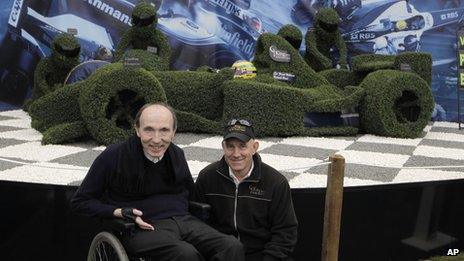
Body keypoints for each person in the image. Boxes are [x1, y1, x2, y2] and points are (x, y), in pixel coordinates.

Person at [71, 103, 244, 261]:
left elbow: (190, 194)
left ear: (174, 132)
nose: (156, 139)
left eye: (164, 130)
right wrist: (118, 211)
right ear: (137, 130)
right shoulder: (114, 156)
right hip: (141, 226)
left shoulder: (176, 154)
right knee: (185, 254)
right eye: (149, 130)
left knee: (231, 246)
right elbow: (80, 202)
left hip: (183, 220)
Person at [194, 119, 298, 261]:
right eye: (230, 146)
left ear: (254, 147)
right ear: (223, 147)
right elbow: (197, 224)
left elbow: (285, 232)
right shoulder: (207, 177)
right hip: (222, 254)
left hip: (263, 255)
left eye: (242, 146)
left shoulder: (276, 182)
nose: (236, 154)